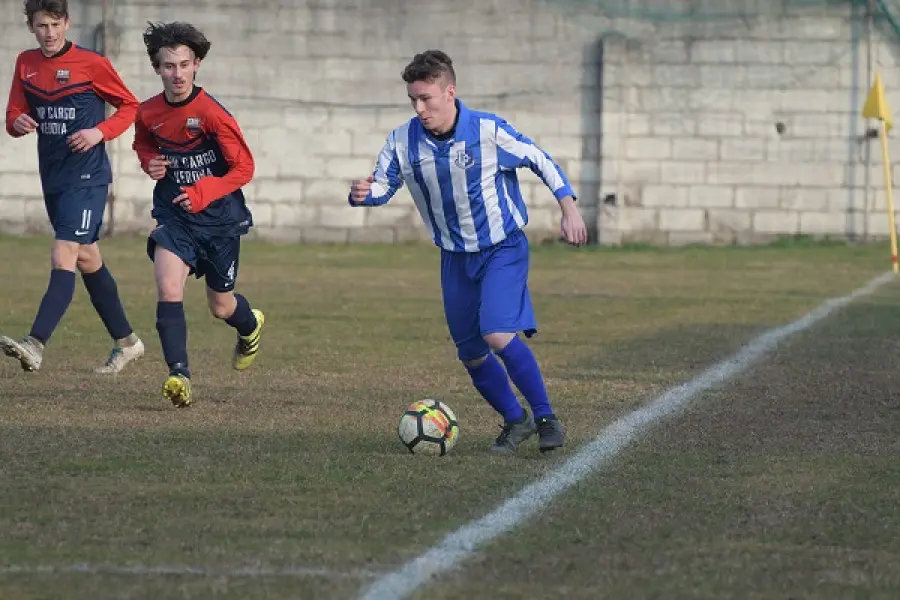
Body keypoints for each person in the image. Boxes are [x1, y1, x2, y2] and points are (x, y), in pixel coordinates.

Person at [349, 50, 588, 454]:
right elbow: (383, 186)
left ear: (450, 92)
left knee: (496, 332)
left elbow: (539, 159)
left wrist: (569, 208)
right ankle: (517, 421)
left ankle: (547, 418)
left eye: (426, 98)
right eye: (413, 99)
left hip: (502, 248)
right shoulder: (402, 141)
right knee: (472, 354)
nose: (419, 108)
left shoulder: (488, 130)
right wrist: (361, 194)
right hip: (454, 259)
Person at [2, 0, 145, 374]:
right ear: (31, 27)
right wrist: (17, 124)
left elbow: (130, 106)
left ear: (66, 23)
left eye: (54, 24)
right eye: (40, 26)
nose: (48, 33)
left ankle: (35, 344)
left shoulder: (92, 64)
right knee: (87, 258)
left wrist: (99, 131)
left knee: (64, 252)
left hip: (88, 178)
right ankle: (128, 342)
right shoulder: (26, 63)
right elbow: (14, 113)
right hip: (54, 177)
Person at [132, 21, 264, 408]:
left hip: (220, 220)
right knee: (169, 287)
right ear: (157, 68)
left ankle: (250, 325)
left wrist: (203, 191)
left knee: (220, 306)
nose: (177, 74)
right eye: (168, 66)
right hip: (175, 218)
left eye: (184, 65)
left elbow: (244, 168)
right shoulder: (149, 112)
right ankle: (179, 375)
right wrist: (150, 163)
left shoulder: (211, 114)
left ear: (197, 65)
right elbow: (142, 144)